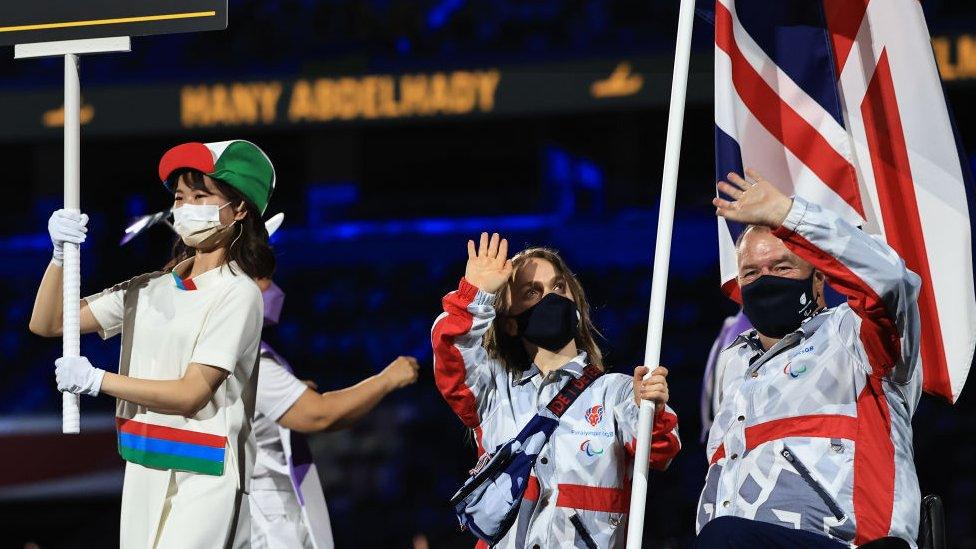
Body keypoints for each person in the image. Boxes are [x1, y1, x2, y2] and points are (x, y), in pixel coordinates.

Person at [30, 140, 276, 548]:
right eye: (180, 197)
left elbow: (191, 394)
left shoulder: (239, 293)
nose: (186, 206)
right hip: (145, 462)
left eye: (202, 195)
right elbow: (49, 322)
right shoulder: (147, 289)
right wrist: (58, 256)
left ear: (241, 208)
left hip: (206, 472)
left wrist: (97, 381)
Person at [695, 170, 922, 547]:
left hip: (852, 543)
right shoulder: (733, 366)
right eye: (751, 272)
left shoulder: (856, 337)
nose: (765, 280)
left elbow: (892, 282)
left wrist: (790, 216)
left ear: (818, 280)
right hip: (742, 539)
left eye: (782, 267)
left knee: (725, 538)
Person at [432, 233, 681, 548]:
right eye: (532, 292)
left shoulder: (618, 392)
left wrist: (652, 409)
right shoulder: (494, 391)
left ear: (574, 303)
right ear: (510, 322)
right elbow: (452, 354)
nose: (550, 298)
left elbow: (661, 451)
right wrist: (476, 294)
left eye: (558, 287)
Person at [249, 273, 420, 549]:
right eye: (263, 274)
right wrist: (387, 379)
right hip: (264, 519)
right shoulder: (249, 358)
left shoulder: (241, 352)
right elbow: (321, 414)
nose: (272, 285)